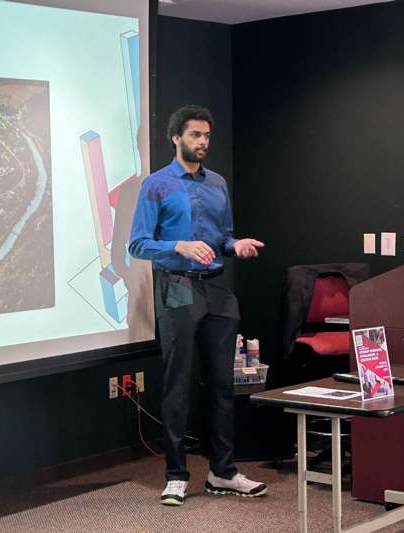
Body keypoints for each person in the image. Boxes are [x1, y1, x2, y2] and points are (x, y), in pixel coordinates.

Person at [128, 105, 268, 506]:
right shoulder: (156, 185)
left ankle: (223, 472)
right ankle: (176, 474)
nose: (202, 142)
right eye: (195, 135)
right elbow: (137, 244)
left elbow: (223, 236)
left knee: (224, 384)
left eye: (206, 135)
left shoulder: (218, 184)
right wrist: (179, 245)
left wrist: (235, 245)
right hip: (177, 286)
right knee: (178, 383)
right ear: (176, 138)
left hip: (218, 289)